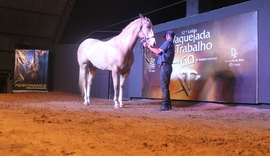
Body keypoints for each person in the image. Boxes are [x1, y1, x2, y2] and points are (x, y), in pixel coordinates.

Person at [145, 30, 175, 111]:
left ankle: (165, 105)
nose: (165, 37)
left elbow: (158, 51)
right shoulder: (170, 44)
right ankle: (168, 105)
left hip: (165, 66)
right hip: (167, 66)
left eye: (166, 36)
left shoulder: (167, 42)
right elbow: (158, 53)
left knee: (164, 86)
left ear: (168, 35)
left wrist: (148, 45)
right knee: (165, 86)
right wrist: (150, 49)